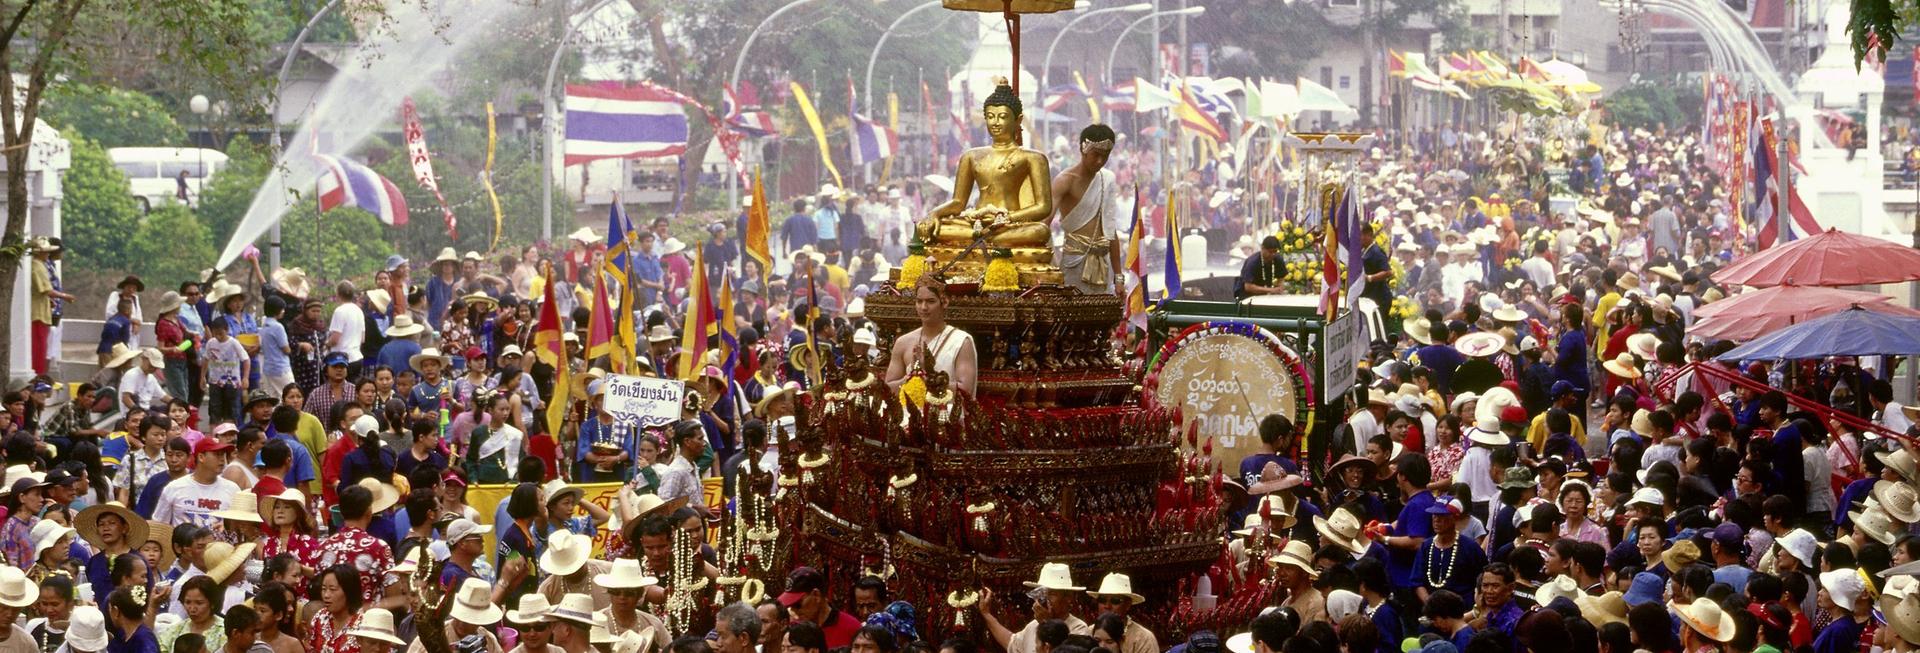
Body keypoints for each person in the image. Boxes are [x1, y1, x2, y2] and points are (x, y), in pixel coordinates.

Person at [1051, 124, 1122, 295]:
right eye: (1095, 155)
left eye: (1105, 156)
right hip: (1073, 263)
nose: (1100, 161)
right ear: (1083, 149)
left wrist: (1119, 277)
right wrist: (1051, 264)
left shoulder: (1108, 179)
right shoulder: (1064, 180)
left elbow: (1111, 231)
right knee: (1071, 317)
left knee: (1102, 319)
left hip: (1103, 265)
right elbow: (1043, 225)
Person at [882, 278, 978, 396]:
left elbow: (965, 389)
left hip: (946, 412)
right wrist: (912, 377)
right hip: (908, 412)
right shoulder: (903, 342)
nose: (923, 307)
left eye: (930, 301)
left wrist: (927, 378)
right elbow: (887, 389)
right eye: (919, 301)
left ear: (944, 302)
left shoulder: (961, 341)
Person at [775, 567, 864, 650]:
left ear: (816, 595)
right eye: (790, 605)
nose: (793, 611)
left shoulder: (851, 628)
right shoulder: (792, 630)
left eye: (798, 605)